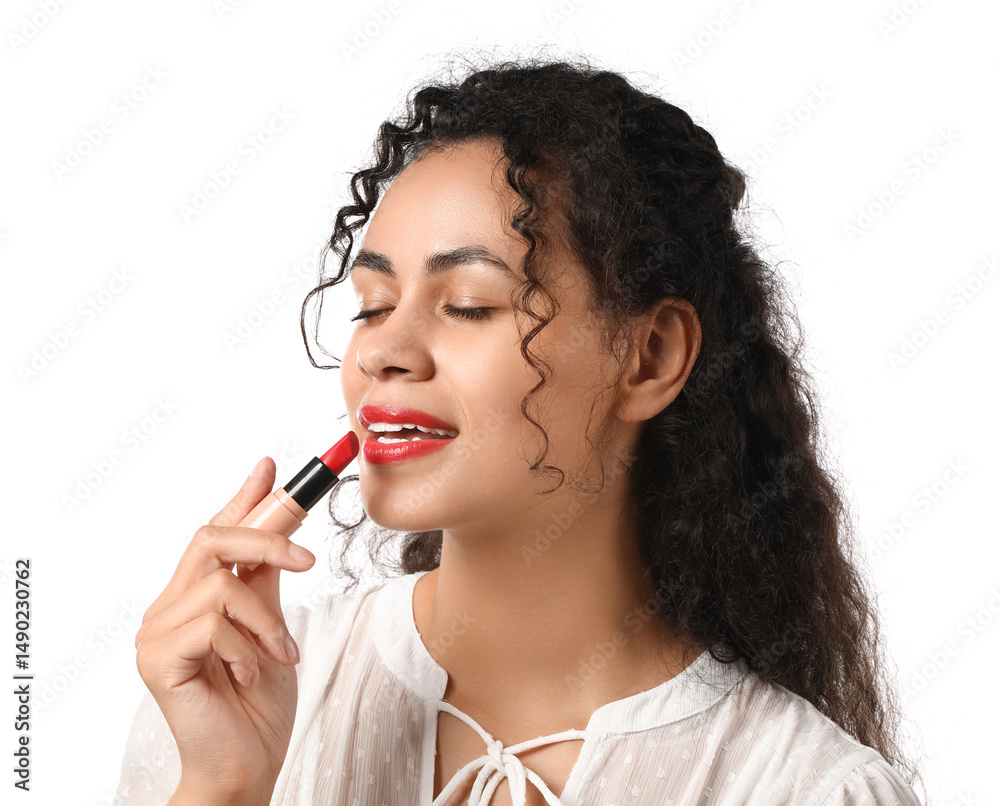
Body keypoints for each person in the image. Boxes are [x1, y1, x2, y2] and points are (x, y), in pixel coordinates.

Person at [115, 56, 925, 805]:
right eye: (372, 306)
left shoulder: (806, 789)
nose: (383, 353)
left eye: (469, 305)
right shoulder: (232, 690)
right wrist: (222, 785)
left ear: (649, 357)